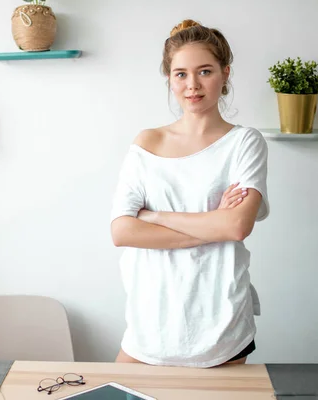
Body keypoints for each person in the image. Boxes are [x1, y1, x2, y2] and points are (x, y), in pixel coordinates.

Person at [109, 19, 270, 368]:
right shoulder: (146, 143)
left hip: (221, 326)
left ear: (225, 74)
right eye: (181, 74)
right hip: (148, 324)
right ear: (169, 78)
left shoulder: (244, 143)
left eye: (205, 71)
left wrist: (154, 216)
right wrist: (212, 224)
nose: (192, 85)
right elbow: (122, 231)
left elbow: (236, 228)